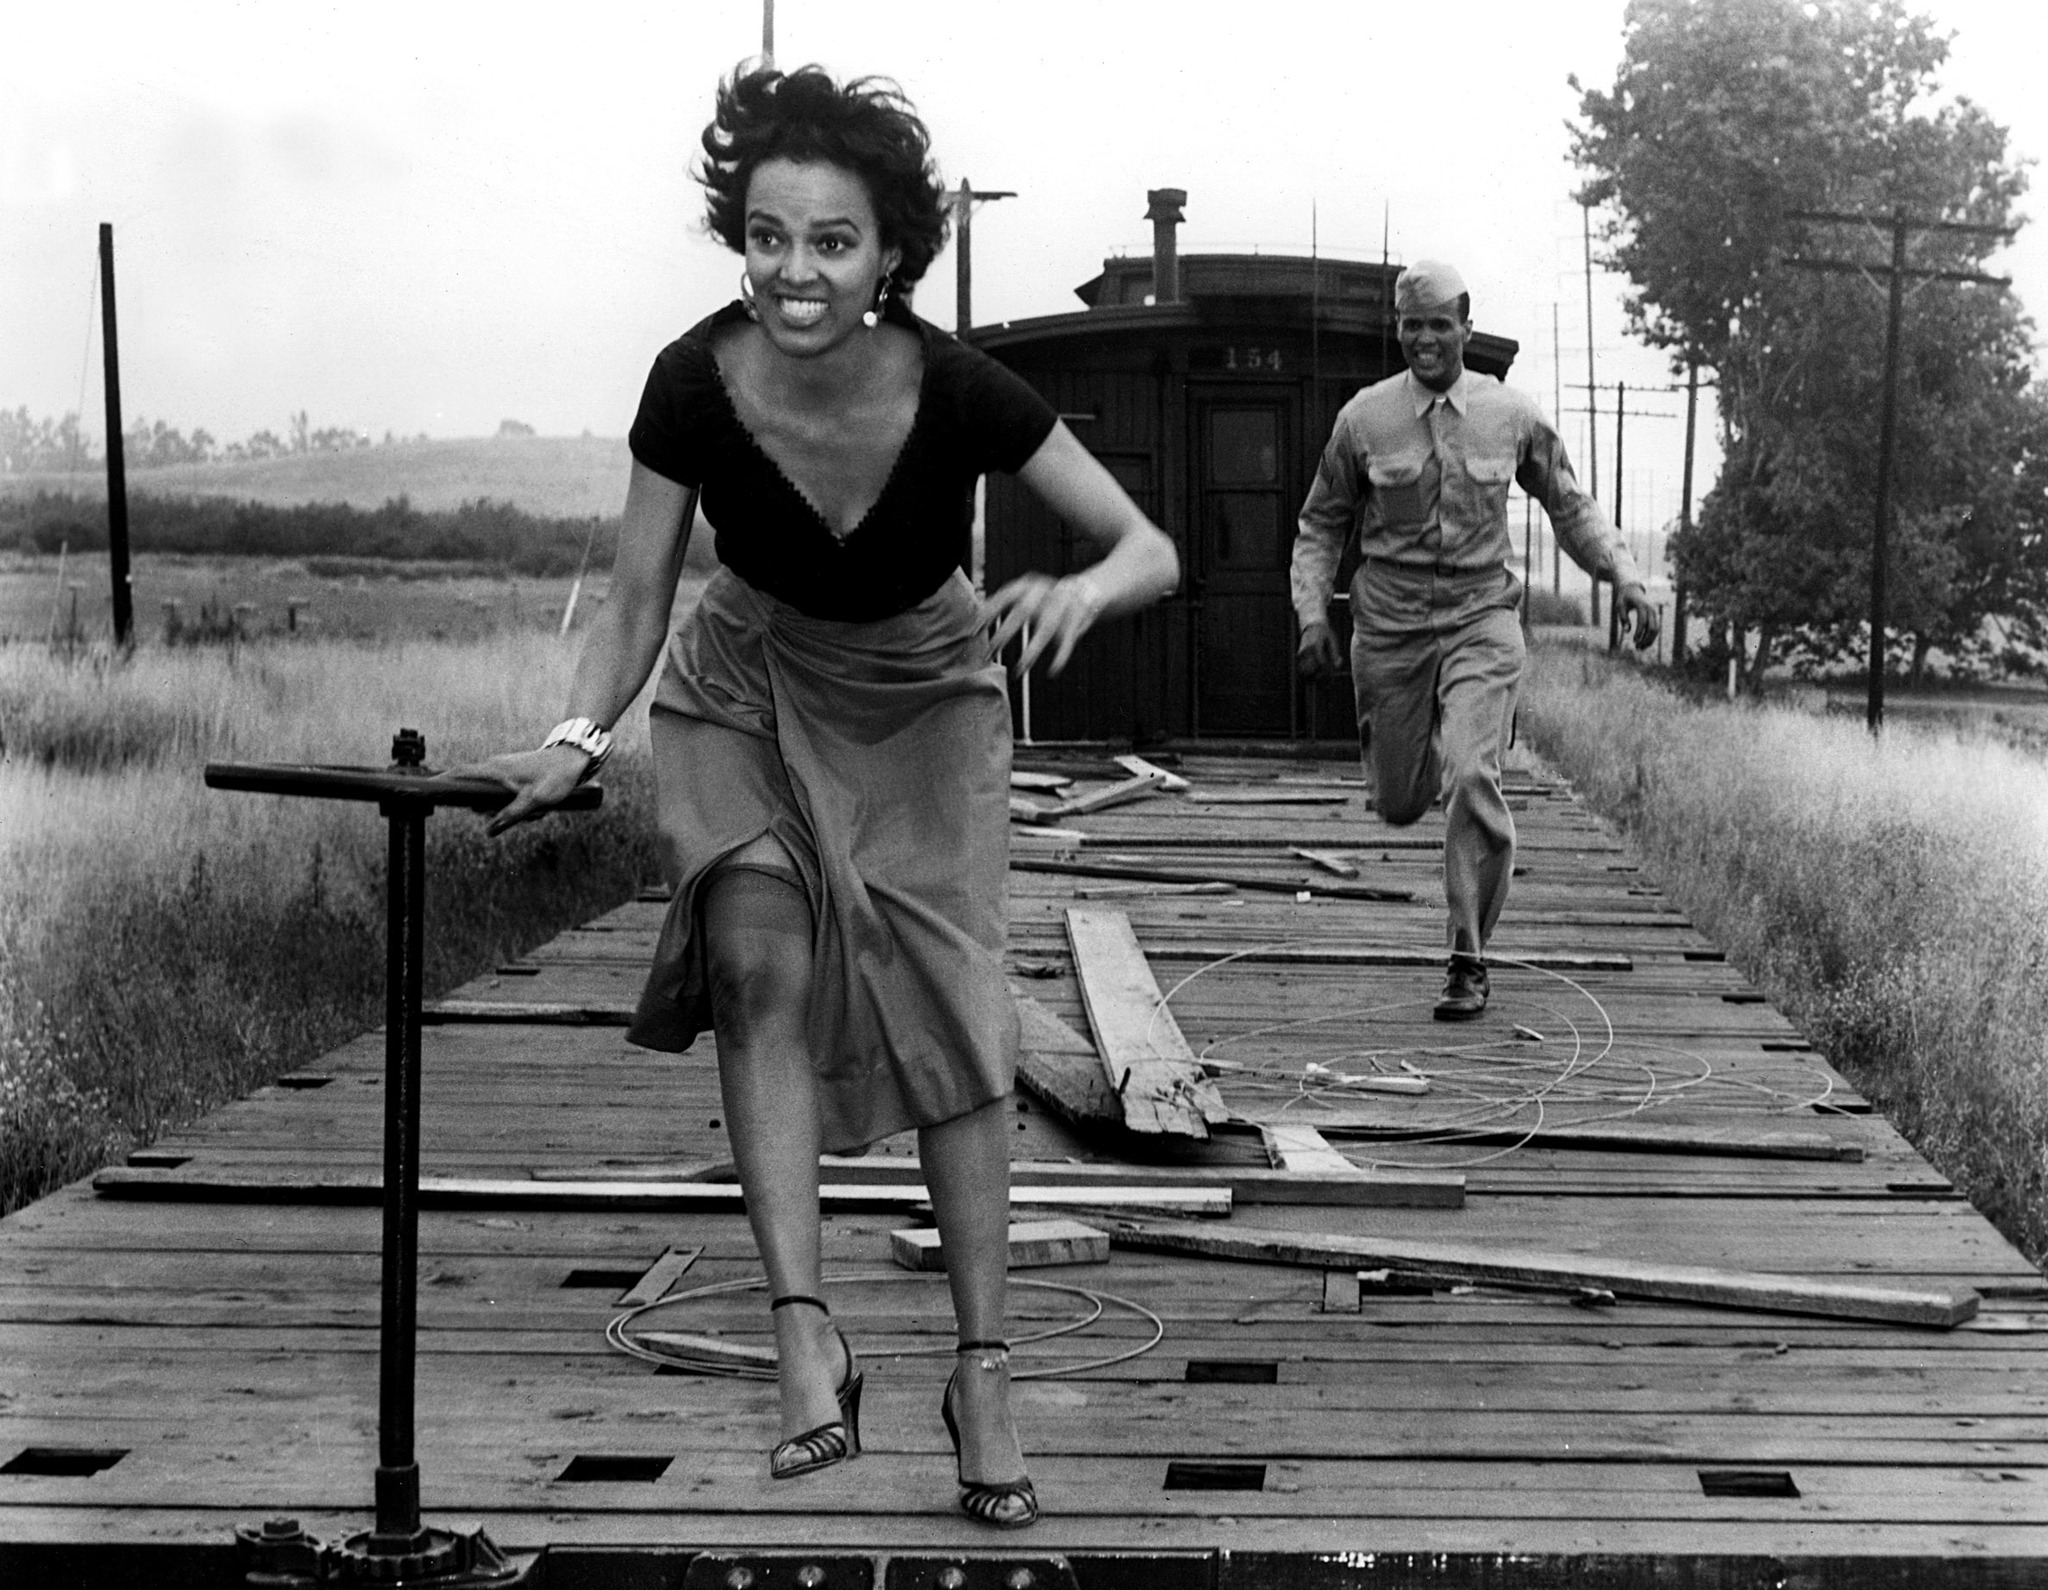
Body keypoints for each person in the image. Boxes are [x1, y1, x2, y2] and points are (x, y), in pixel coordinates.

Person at [467, 63, 1178, 1527]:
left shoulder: (963, 385)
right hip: (742, 679)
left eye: (833, 242)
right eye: (771, 236)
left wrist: (1081, 588)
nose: (797, 270)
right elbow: (640, 600)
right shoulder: (687, 379)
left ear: (890, 257)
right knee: (753, 958)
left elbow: (1148, 548)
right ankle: (805, 1326)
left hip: (921, 698)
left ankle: (982, 1365)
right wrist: (575, 738)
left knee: (953, 1012)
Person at [1290, 259, 1656, 1021]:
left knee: (1471, 772)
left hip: (1481, 618)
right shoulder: (1363, 419)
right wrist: (1312, 616)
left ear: (1465, 323)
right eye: (1410, 325)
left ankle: (1467, 955)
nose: (1424, 339)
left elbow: (1571, 503)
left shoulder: (1509, 414)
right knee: (1397, 800)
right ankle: (1413, 763)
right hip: (1388, 628)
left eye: (1438, 324)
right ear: (1399, 328)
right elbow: (1321, 522)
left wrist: (1623, 575)